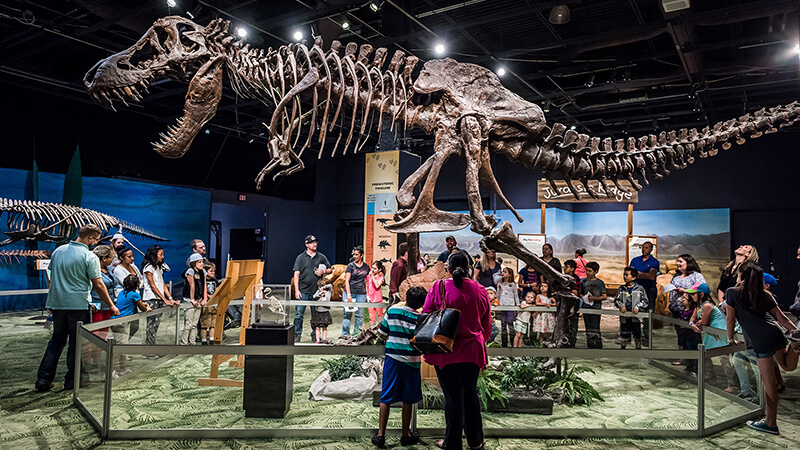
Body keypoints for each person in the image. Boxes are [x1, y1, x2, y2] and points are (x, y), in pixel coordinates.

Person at [35, 224, 119, 392]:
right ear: (89, 238)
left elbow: (50, 277)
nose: (95, 243)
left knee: (56, 341)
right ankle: (73, 379)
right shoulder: (89, 256)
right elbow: (98, 284)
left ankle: (44, 379)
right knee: (76, 343)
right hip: (78, 305)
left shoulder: (58, 251)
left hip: (58, 304)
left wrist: (53, 300)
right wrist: (111, 305)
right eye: (95, 239)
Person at [421, 251, 491, 450]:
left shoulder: (439, 287)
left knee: (453, 396)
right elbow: (485, 326)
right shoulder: (480, 289)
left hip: (446, 350)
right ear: (469, 268)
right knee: (470, 393)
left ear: (448, 269)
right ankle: (476, 441)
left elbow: (427, 315)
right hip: (472, 351)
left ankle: (452, 443)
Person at [725, 262, 800, 435]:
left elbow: (730, 319)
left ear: (741, 276)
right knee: (788, 366)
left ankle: (770, 423)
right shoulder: (765, 295)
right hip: (776, 333)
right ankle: (795, 345)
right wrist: (795, 332)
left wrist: (730, 339)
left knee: (769, 384)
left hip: (760, 341)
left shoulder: (732, 293)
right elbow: (782, 319)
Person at [373, 286, 426, 448]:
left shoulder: (392, 311)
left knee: (386, 396)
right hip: (412, 361)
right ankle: (405, 434)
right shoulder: (421, 318)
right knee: (408, 399)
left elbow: (382, 333)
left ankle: (381, 435)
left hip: (393, 359)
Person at [687, 283, 731, 385]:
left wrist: (699, 322)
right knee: (706, 355)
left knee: (724, 359)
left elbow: (704, 322)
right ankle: (710, 377)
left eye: (693, 294)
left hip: (719, 332)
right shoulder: (699, 306)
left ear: (701, 294)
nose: (691, 296)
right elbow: (693, 319)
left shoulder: (707, 305)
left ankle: (732, 384)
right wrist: (692, 324)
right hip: (711, 333)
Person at [292, 235, 331, 342]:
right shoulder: (300, 258)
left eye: (315, 242)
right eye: (312, 242)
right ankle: (297, 335)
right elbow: (296, 274)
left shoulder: (321, 257)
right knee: (299, 315)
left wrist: (323, 271)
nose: (315, 244)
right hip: (303, 291)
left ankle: (315, 335)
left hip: (317, 291)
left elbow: (330, 269)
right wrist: (297, 290)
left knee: (316, 315)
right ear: (307, 244)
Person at [110, 274, 151, 378]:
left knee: (123, 345)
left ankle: (123, 368)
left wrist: (142, 304)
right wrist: (147, 307)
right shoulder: (135, 294)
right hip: (122, 323)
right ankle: (112, 371)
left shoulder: (121, 293)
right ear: (136, 284)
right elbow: (142, 308)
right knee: (119, 348)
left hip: (115, 321)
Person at [668, 254, 706, 364]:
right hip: (677, 311)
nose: (678, 264)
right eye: (677, 261)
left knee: (693, 336)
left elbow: (702, 288)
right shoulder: (675, 277)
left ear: (688, 263)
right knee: (680, 334)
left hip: (691, 311)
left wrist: (685, 290)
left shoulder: (696, 276)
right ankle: (683, 358)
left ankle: (696, 360)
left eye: (681, 261)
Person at [85, 244, 116, 367]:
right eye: (111, 257)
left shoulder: (108, 271)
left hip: (107, 307)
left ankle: (96, 362)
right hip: (96, 308)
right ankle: (86, 365)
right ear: (103, 258)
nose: (112, 260)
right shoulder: (92, 270)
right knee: (92, 337)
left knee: (103, 336)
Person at [141, 245, 177, 346]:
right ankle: (149, 349)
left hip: (158, 298)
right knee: (151, 325)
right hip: (151, 298)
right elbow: (152, 286)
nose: (162, 257)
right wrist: (164, 299)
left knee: (155, 324)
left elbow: (162, 283)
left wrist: (170, 297)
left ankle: (151, 347)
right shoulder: (148, 267)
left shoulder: (158, 267)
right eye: (160, 254)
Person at [629, 241, 659, 346]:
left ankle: (646, 336)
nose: (644, 249)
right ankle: (635, 335)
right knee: (634, 311)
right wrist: (642, 275)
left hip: (649, 290)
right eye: (642, 247)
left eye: (646, 247)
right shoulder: (635, 260)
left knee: (648, 313)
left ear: (651, 250)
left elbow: (651, 276)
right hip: (637, 289)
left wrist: (637, 274)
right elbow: (630, 274)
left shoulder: (654, 262)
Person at [614, 267, 647, 350]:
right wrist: (621, 305)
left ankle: (638, 351)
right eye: (624, 275)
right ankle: (623, 351)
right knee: (624, 335)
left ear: (634, 277)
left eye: (627, 275)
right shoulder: (621, 289)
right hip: (625, 317)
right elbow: (617, 300)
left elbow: (645, 301)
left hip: (635, 317)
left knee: (637, 335)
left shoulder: (640, 289)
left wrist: (637, 307)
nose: (625, 277)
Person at [180, 253, 207, 345]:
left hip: (199, 300)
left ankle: (192, 342)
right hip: (190, 300)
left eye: (202, 262)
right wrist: (192, 300)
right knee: (189, 324)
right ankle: (184, 343)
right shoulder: (190, 271)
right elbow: (192, 285)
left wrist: (204, 298)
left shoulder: (202, 272)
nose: (201, 264)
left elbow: (204, 285)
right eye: (199, 262)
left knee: (194, 324)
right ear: (194, 263)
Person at [343, 246, 370, 336]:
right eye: (353, 254)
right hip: (350, 291)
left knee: (359, 315)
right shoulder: (350, 266)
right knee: (347, 313)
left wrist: (367, 293)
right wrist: (349, 294)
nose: (354, 256)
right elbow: (347, 280)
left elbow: (367, 280)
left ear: (361, 255)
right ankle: (345, 334)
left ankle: (356, 334)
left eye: (356, 254)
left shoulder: (366, 266)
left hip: (361, 293)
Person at [580, 261, 607, 349]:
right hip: (586, 307)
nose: (587, 273)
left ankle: (598, 346)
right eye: (587, 270)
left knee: (595, 326)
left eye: (590, 271)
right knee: (588, 327)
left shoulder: (599, 283)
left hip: (595, 308)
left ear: (596, 271)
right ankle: (590, 346)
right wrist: (584, 297)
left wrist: (594, 299)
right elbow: (580, 293)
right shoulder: (583, 282)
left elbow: (604, 296)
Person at [496, 266, 518, 348]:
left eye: (505, 272)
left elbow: (516, 296)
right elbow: (498, 295)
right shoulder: (500, 284)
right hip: (502, 306)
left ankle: (512, 344)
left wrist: (517, 306)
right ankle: (504, 345)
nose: (503, 273)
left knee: (511, 325)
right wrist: (497, 304)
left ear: (509, 275)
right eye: (503, 272)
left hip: (510, 306)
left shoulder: (513, 285)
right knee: (503, 325)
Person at [199, 261, 219, 345]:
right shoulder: (202, 281)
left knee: (213, 323)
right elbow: (202, 290)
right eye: (211, 271)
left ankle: (211, 339)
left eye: (214, 271)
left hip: (214, 304)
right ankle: (203, 340)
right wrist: (208, 296)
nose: (213, 273)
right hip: (206, 304)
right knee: (204, 324)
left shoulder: (215, 281)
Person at [367, 260, 386, 325]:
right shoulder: (368, 276)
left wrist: (372, 277)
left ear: (379, 269)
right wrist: (367, 296)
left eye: (375, 268)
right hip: (370, 299)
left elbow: (377, 286)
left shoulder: (381, 277)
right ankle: (371, 332)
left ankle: (379, 332)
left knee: (379, 317)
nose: (372, 270)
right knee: (371, 318)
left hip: (378, 299)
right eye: (372, 268)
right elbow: (367, 286)